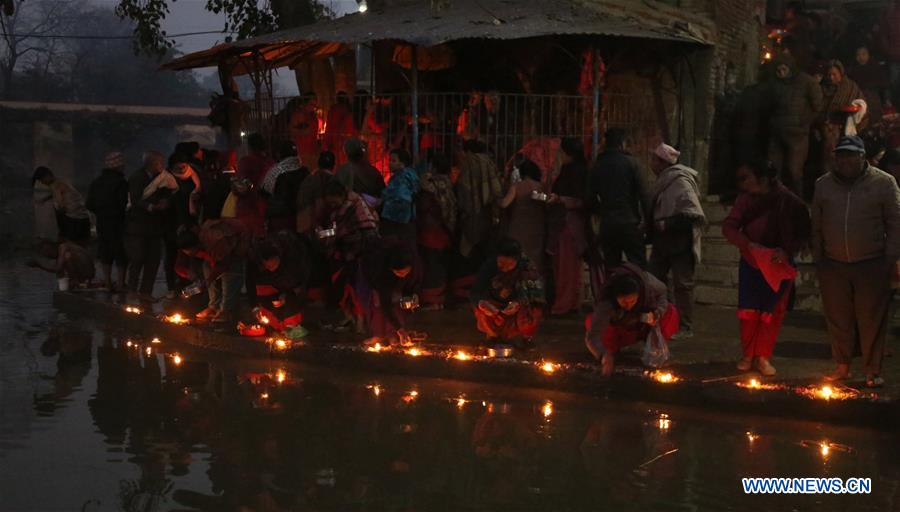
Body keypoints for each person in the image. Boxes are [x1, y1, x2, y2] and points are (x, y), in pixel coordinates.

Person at [812, 135, 900, 387]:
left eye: (851, 155)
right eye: (841, 155)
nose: (845, 160)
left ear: (862, 157)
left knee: (871, 319)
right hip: (833, 263)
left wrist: (891, 256)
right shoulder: (824, 185)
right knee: (838, 318)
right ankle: (842, 365)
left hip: (871, 262)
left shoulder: (884, 183)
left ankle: (872, 370)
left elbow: (895, 222)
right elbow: (816, 221)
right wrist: (819, 256)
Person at [722, 160, 811, 376]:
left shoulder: (789, 201)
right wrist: (747, 244)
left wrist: (786, 251)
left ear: (762, 179)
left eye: (747, 178)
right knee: (748, 311)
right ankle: (747, 355)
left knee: (772, 312)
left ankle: (763, 356)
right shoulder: (745, 200)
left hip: (778, 265)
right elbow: (729, 226)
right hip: (752, 262)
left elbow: (802, 231)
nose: (743, 183)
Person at [647, 143, 706, 340]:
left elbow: (693, 213)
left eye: (655, 160)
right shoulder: (664, 180)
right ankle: (664, 320)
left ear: (663, 163)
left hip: (679, 242)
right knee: (655, 280)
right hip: (663, 241)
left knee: (683, 285)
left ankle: (685, 326)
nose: (651, 163)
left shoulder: (680, 182)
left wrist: (667, 223)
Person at [585, 263, 679, 377]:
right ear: (616, 297)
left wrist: (657, 312)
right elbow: (592, 336)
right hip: (622, 327)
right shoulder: (607, 302)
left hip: (644, 323)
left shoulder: (648, 284)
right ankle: (613, 350)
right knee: (591, 320)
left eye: (633, 301)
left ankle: (653, 347)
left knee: (671, 311)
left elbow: (663, 293)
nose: (629, 306)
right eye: (624, 302)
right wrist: (603, 355)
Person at [322, 179, 380, 332]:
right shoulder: (338, 211)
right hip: (345, 253)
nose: (332, 206)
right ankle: (351, 316)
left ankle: (362, 320)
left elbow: (367, 227)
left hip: (362, 251)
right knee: (344, 286)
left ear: (341, 196)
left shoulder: (354, 205)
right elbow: (336, 230)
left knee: (359, 287)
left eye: (334, 202)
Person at [587, 128, 649, 268]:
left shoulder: (597, 165)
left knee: (611, 268)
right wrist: (648, 223)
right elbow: (645, 195)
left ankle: (615, 289)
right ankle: (636, 290)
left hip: (608, 224)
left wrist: (603, 211)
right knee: (638, 267)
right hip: (630, 223)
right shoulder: (632, 163)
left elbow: (589, 198)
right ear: (622, 143)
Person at [766, 53, 824, 197]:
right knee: (774, 169)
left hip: (797, 135)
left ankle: (797, 203)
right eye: (778, 70)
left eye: (783, 69)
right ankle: (774, 202)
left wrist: (804, 122)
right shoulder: (773, 84)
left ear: (790, 68)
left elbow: (818, 106)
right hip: (776, 132)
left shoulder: (807, 82)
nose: (781, 73)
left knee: (794, 171)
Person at [470, 237, 544, 349]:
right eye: (501, 264)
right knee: (481, 311)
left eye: (509, 265)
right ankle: (493, 336)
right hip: (494, 305)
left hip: (518, 307)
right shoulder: (490, 266)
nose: (504, 268)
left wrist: (518, 303)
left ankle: (525, 338)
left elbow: (535, 296)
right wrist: (483, 304)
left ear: (517, 260)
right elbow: (476, 291)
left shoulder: (527, 269)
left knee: (534, 311)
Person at [177, 218, 250, 324]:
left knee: (230, 274)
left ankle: (225, 310)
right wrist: (190, 275)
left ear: (197, 246)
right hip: (218, 253)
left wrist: (208, 280)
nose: (190, 254)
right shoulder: (185, 242)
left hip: (237, 243)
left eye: (192, 252)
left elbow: (223, 265)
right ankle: (214, 306)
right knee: (207, 267)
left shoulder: (215, 240)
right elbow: (179, 265)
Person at [547, 138, 587, 315]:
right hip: (572, 223)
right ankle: (572, 302)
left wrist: (559, 199)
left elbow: (580, 199)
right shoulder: (578, 170)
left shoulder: (573, 172)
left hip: (568, 223)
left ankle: (563, 304)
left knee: (565, 267)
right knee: (570, 267)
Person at [125, 151, 172, 297]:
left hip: (156, 227)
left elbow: (166, 192)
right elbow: (136, 199)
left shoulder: (162, 177)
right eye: (159, 162)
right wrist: (151, 207)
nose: (162, 165)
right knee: (138, 258)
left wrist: (165, 201)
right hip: (139, 226)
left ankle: (146, 292)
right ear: (151, 163)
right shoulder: (137, 177)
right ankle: (132, 289)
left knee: (153, 260)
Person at [416, 153, 457, 309]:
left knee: (432, 266)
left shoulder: (431, 185)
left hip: (433, 232)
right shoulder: (448, 182)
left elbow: (424, 202)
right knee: (439, 265)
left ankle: (434, 301)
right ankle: (439, 300)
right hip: (446, 230)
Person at [359, 247, 422, 346]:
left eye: (405, 271)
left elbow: (415, 282)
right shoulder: (382, 274)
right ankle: (379, 334)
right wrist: (400, 330)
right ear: (392, 270)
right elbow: (385, 304)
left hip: (394, 281)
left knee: (402, 302)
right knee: (378, 303)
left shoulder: (414, 266)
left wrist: (414, 295)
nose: (403, 275)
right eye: (398, 272)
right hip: (373, 278)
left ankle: (393, 334)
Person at [86, 152, 129, 291]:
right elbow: (123, 203)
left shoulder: (97, 182)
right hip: (118, 222)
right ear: (119, 166)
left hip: (102, 222)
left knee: (105, 251)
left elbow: (89, 203)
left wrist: (101, 212)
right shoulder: (121, 182)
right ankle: (121, 284)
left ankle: (108, 283)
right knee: (120, 252)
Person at [253, 231, 310, 330]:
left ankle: (290, 325)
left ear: (278, 257)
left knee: (291, 309)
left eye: (273, 265)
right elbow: (254, 284)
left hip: (293, 288)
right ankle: (275, 323)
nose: (270, 268)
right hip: (277, 289)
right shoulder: (259, 267)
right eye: (267, 266)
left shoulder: (295, 262)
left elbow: (301, 283)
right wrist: (255, 306)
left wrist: (288, 294)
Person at [819, 60, 867, 175]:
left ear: (841, 74)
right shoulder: (822, 88)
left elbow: (861, 104)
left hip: (845, 129)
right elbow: (817, 108)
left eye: (834, 74)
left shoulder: (850, 87)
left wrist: (856, 109)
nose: (831, 77)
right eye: (829, 74)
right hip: (827, 129)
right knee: (829, 157)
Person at [500, 158, 547, 275]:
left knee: (516, 261)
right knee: (535, 261)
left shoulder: (516, 186)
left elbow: (504, 204)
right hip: (537, 229)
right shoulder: (542, 187)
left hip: (517, 229)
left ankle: (515, 287)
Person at [32, 167, 91, 244]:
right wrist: (45, 199)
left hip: (75, 219)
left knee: (72, 245)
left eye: (42, 180)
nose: (42, 182)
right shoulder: (58, 182)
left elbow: (61, 206)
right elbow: (59, 194)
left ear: (47, 176)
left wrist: (62, 227)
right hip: (80, 217)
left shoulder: (57, 185)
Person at [262, 141, 308, 233]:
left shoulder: (276, 171)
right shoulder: (305, 171)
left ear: (279, 154)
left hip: (281, 218)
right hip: (303, 216)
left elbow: (264, 191)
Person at [379, 148, 420, 245]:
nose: (390, 163)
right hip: (407, 219)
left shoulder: (400, 178)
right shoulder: (411, 175)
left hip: (396, 219)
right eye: (390, 160)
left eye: (393, 161)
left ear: (402, 163)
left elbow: (400, 196)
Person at [847, 45, 890, 125]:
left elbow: (883, 84)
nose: (861, 57)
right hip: (858, 98)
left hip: (873, 97)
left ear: (868, 55)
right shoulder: (853, 69)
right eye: (858, 55)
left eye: (863, 54)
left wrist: (886, 98)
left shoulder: (875, 67)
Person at [27, 240, 96, 289]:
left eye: (46, 252)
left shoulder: (63, 247)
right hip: (85, 274)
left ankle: (77, 282)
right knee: (61, 266)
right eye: (45, 255)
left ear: (50, 248)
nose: (48, 256)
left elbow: (58, 268)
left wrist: (39, 266)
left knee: (67, 257)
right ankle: (77, 283)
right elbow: (58, 271)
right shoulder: (60, 254)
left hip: (87, 273)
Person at [323, 92, 357, 167]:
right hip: (345, 139)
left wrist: (327, 142)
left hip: (336, 140)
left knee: (337, 162)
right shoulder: (349, 109)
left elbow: (329, 127)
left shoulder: (333, 110)